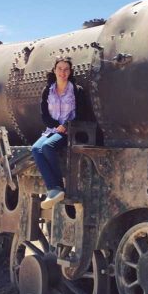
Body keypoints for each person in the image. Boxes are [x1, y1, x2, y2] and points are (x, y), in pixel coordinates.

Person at [32, 56, 86, 209]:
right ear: (54, 70)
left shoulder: (76, 90)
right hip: (53, 129)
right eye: (60, 69)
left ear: (70, 72)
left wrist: (67, 126)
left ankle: (58, 186)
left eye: (66, 69)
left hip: (69, 131)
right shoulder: (47, 91)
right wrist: (56, 125)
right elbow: (44, 114)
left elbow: (82, 113)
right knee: (36, 149)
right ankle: (53, 188)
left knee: (48, 147)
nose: (63, 72)